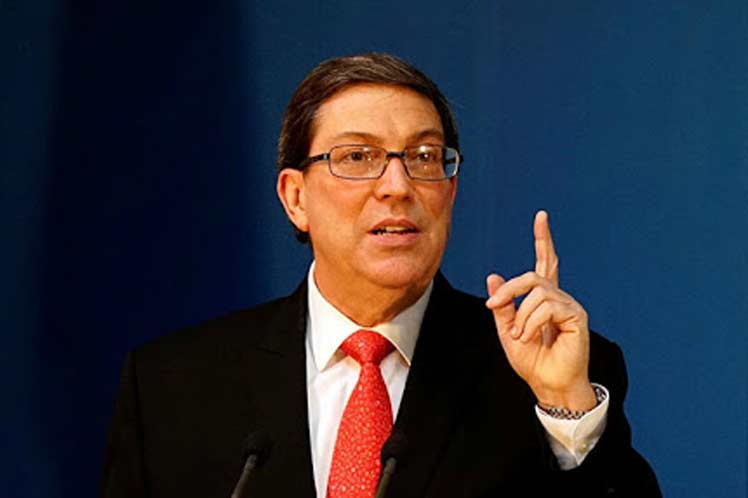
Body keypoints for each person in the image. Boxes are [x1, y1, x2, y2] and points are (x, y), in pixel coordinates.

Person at [102, 53, 661, 497]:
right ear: (295, 198)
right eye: (357, 157)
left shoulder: (546, 375)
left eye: (424, 157)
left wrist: (565, 407)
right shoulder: (170, 386)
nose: (398, 186)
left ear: (450, 191)